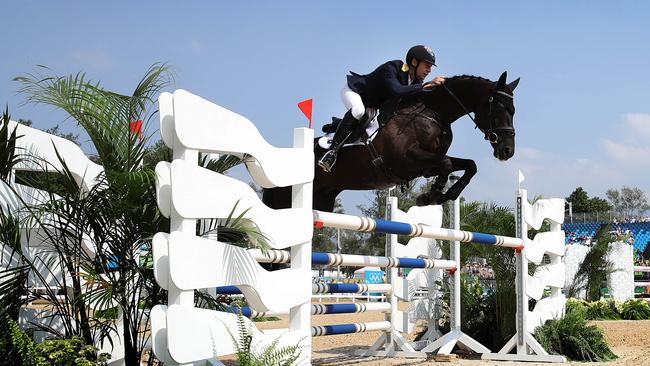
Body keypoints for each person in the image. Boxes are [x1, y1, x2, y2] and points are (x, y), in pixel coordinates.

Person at [317, 45, 445, 172]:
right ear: (414, 62)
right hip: (355, 91)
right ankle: (330, 153)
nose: (429, 70)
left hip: (371, 105)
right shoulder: (392, 67)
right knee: (358, 111)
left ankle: (338, 125)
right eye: (427, 65)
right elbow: (397, 90)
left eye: (430, 67)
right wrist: (427, 85)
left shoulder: (415, 83)